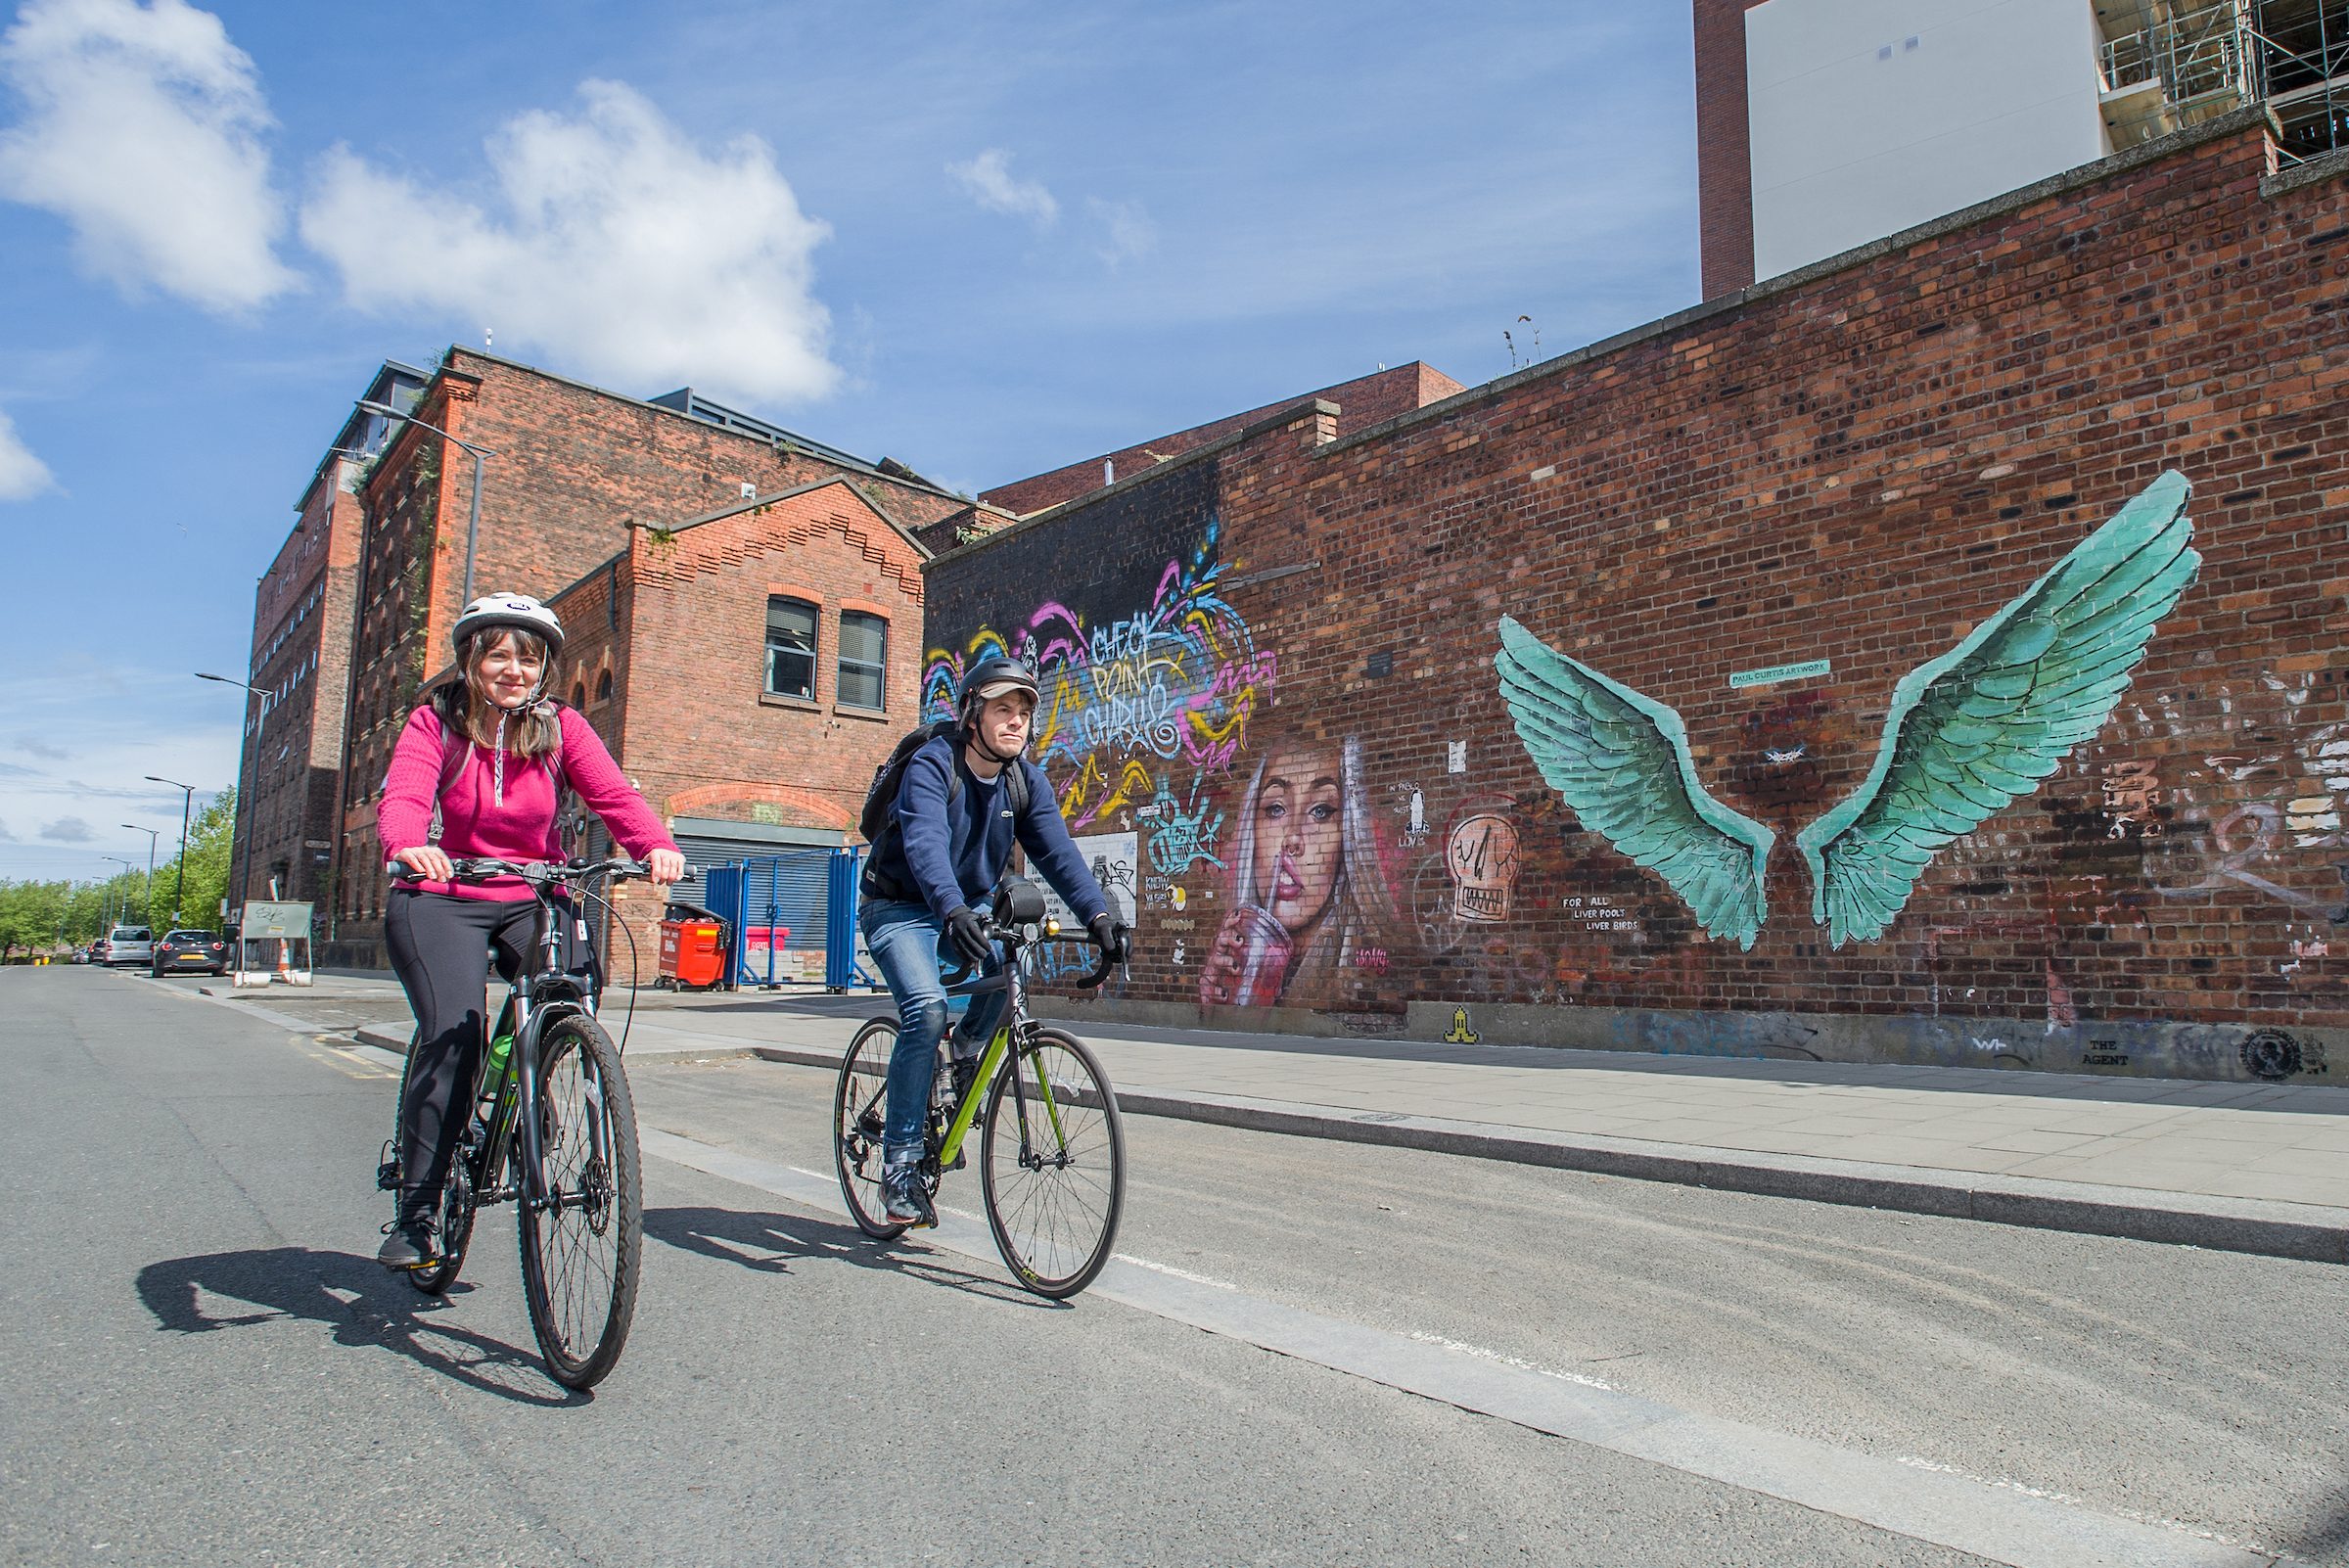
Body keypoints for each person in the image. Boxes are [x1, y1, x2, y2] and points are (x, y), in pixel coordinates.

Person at [374, 593, 685, 1268]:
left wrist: (654, 844)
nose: (514, 670)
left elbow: (614, 796)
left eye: (529, 659)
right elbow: (405, 794)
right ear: (472, 660)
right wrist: (407, 843)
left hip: (532, 890)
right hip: (441, 892)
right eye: (499, 656)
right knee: (455, 1035)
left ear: (544, 668)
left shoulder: (561, 726)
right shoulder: (435, 722)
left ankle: (528, 1079)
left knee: (570, 987)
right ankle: (418, 1213)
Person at [858, 654, 1129, 1226]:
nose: (1015, 722)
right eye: (1002, 709)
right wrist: (950, 907)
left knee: (1010, 978)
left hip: (967, 905)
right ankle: (900, 1164)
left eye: (1024, 713)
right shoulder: (934, 765)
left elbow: (1059, 855)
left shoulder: (1022, 781)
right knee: (926, 1010)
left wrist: (1101, 916)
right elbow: (926, 844)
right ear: (971, 714)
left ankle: (966, 1050)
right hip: (900, 907)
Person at [1198, 734, 1398, 1009]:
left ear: (1349, 833)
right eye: (1275, 809)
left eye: (1321, 811)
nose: (1292, 838)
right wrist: (1212, 1005)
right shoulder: (1234, 949)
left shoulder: (1367, 976)